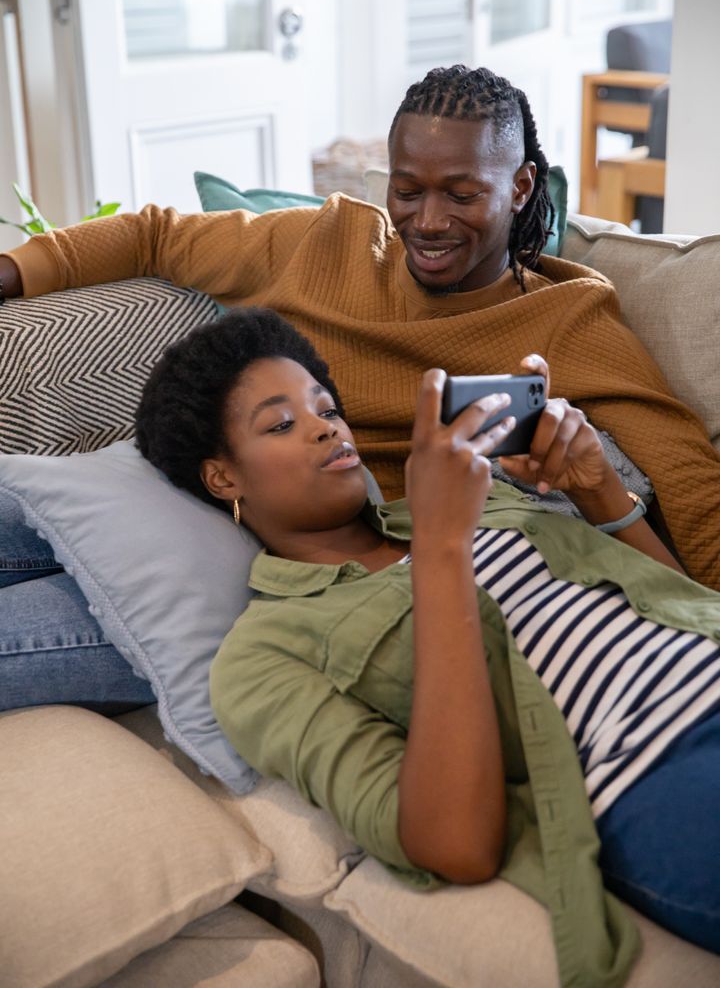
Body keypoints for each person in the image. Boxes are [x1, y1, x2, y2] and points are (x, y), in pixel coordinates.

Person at [134, 307, 720, 987]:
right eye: (282, 423)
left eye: (327, 407)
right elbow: (453, 843)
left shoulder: (486, 499)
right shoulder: (262, 658)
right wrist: (442, 548)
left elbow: (678, 611)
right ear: (223, 478)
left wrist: (597, 490)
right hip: (658, 763)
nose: (328, 426)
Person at [1, 64, 718, 591]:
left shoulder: (565, 317)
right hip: (205, 495)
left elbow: (690, 485)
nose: (428, 222)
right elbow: (153, 235)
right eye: (408, 191)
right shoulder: (331, 239)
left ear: (521, 187)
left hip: (312, 558)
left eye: (462, 194)